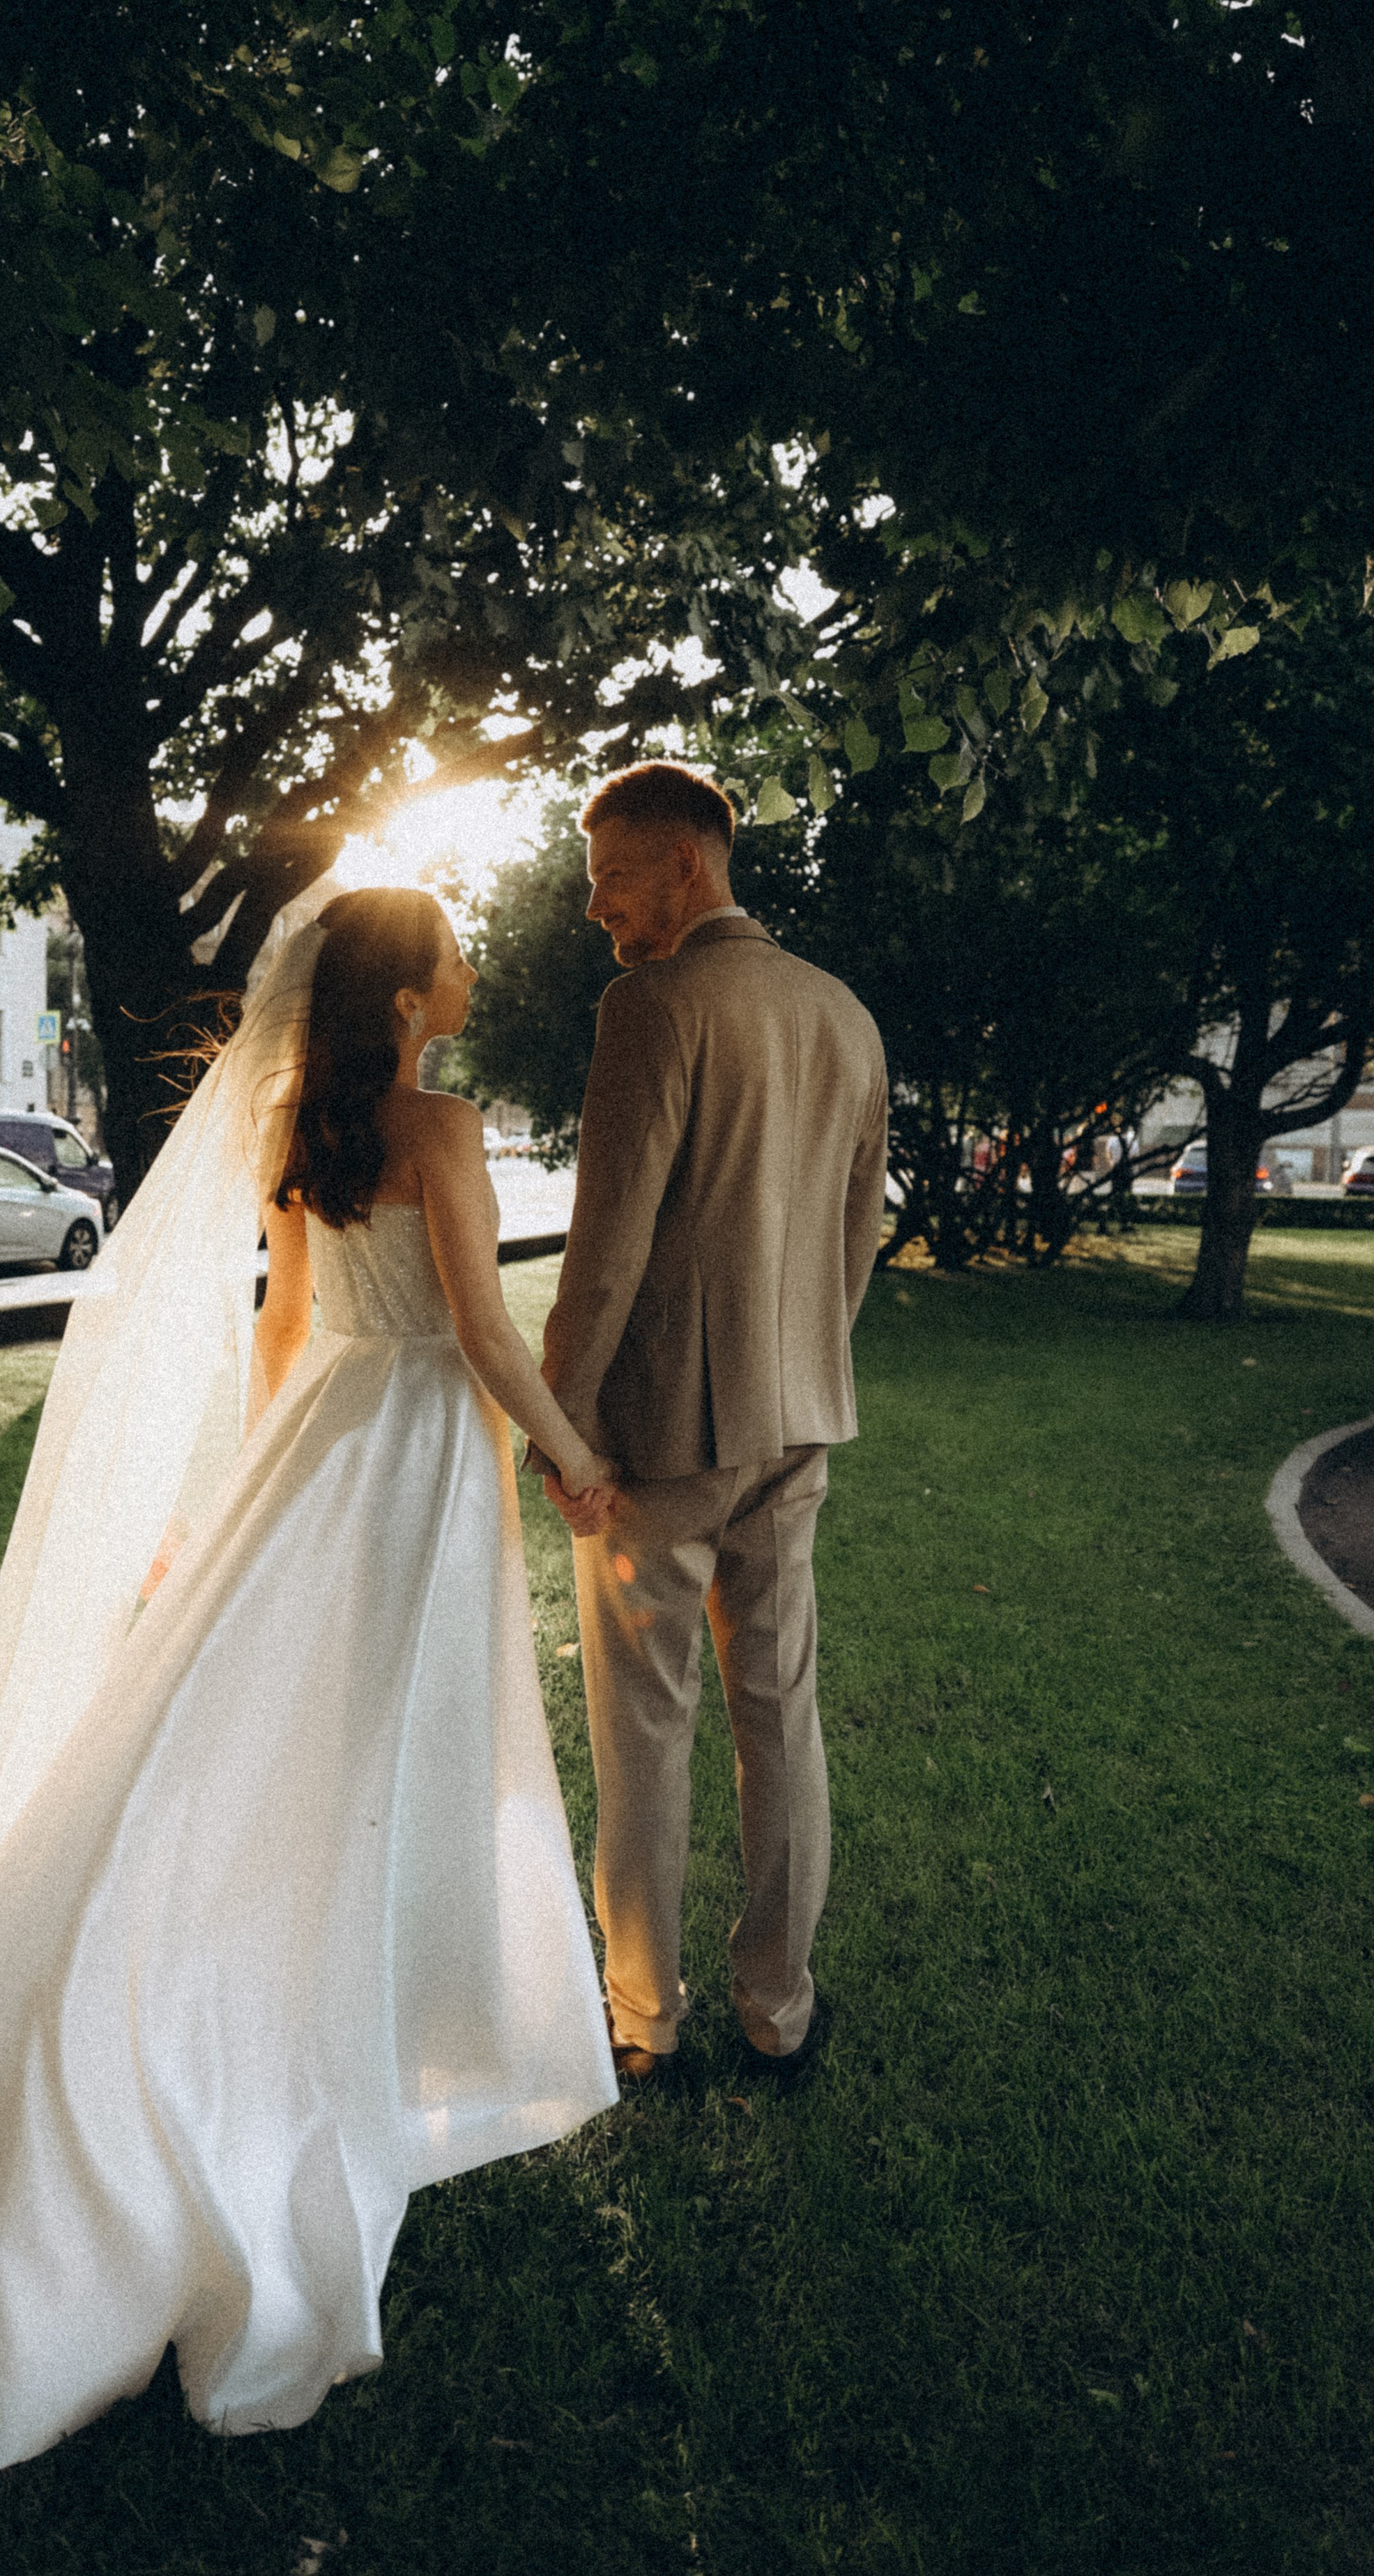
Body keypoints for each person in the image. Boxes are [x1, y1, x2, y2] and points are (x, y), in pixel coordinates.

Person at [0, 887, 618, 2465]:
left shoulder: (299, 1120)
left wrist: (228, 1504)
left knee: (240, 1753)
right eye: (456, 954)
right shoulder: (447, 1126)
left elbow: (280, 1336)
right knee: (361, 1755)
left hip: (316, 1455)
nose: (473, 971)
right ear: (412, 996)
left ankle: (227, 2006)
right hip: (410, 1452)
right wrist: (576, 1463)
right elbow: (482, 1330)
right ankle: (309, 2029)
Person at [530, 763, 888, 2090]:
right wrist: (803, 1364)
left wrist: (563, 1426)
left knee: (646, 1725)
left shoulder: (655, 1005)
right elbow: (857, 1232)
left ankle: (647, 2018)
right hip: (799, 1421)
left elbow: (605, 1249)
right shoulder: (843, 1013)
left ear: (683, 863)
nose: (595, 911)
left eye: (608, 879)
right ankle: (779, 2007)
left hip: (661, 1443)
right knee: (780, 1712)